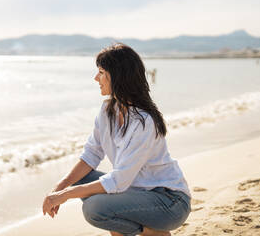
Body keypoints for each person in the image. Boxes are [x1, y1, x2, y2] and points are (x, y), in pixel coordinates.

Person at [42, 43, 191, 236]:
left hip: (169, 202)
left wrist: (65, 196)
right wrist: (58, 189)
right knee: (81, 178)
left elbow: (119, 180)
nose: (96, 78)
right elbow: (91, 155)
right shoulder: (106, 111)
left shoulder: (144, 121)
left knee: (94, 209)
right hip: (136, 192)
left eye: (101, 72)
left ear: (118, 76)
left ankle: (153, 232)